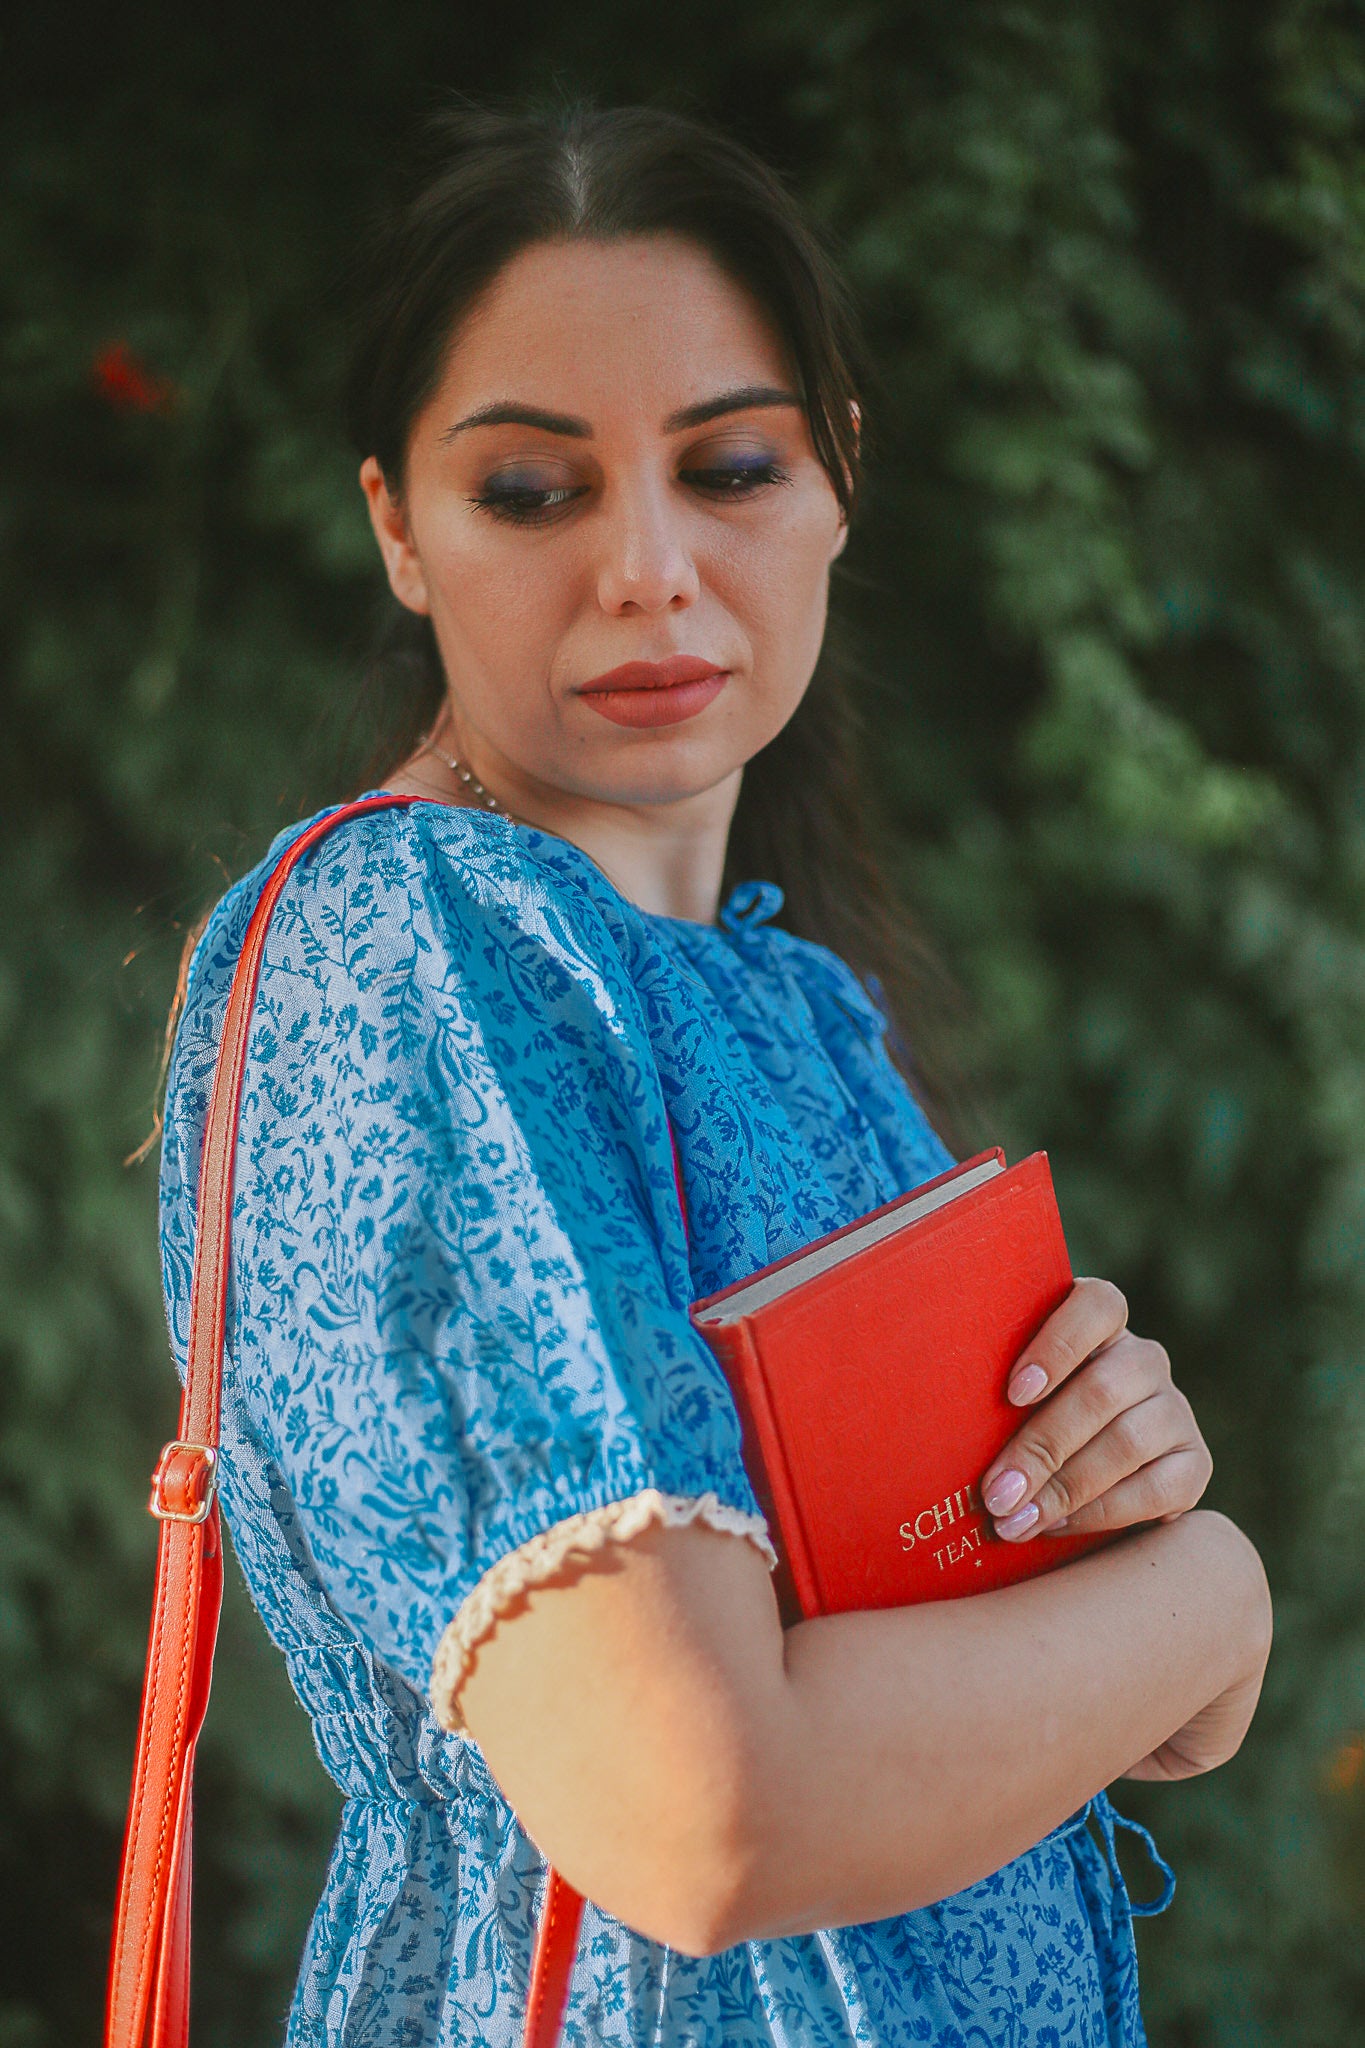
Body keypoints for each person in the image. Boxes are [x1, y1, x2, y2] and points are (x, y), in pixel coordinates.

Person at [157, 98, 1273, 2048]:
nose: (649, 570)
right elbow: (706, 1812)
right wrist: (1206, 1589)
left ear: (840, 478)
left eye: (729, 466)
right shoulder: (409, 948)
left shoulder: (795, 1004)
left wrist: (1116, 1500)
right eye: (530, 492)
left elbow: (1143, 1712)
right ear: (395, 531)